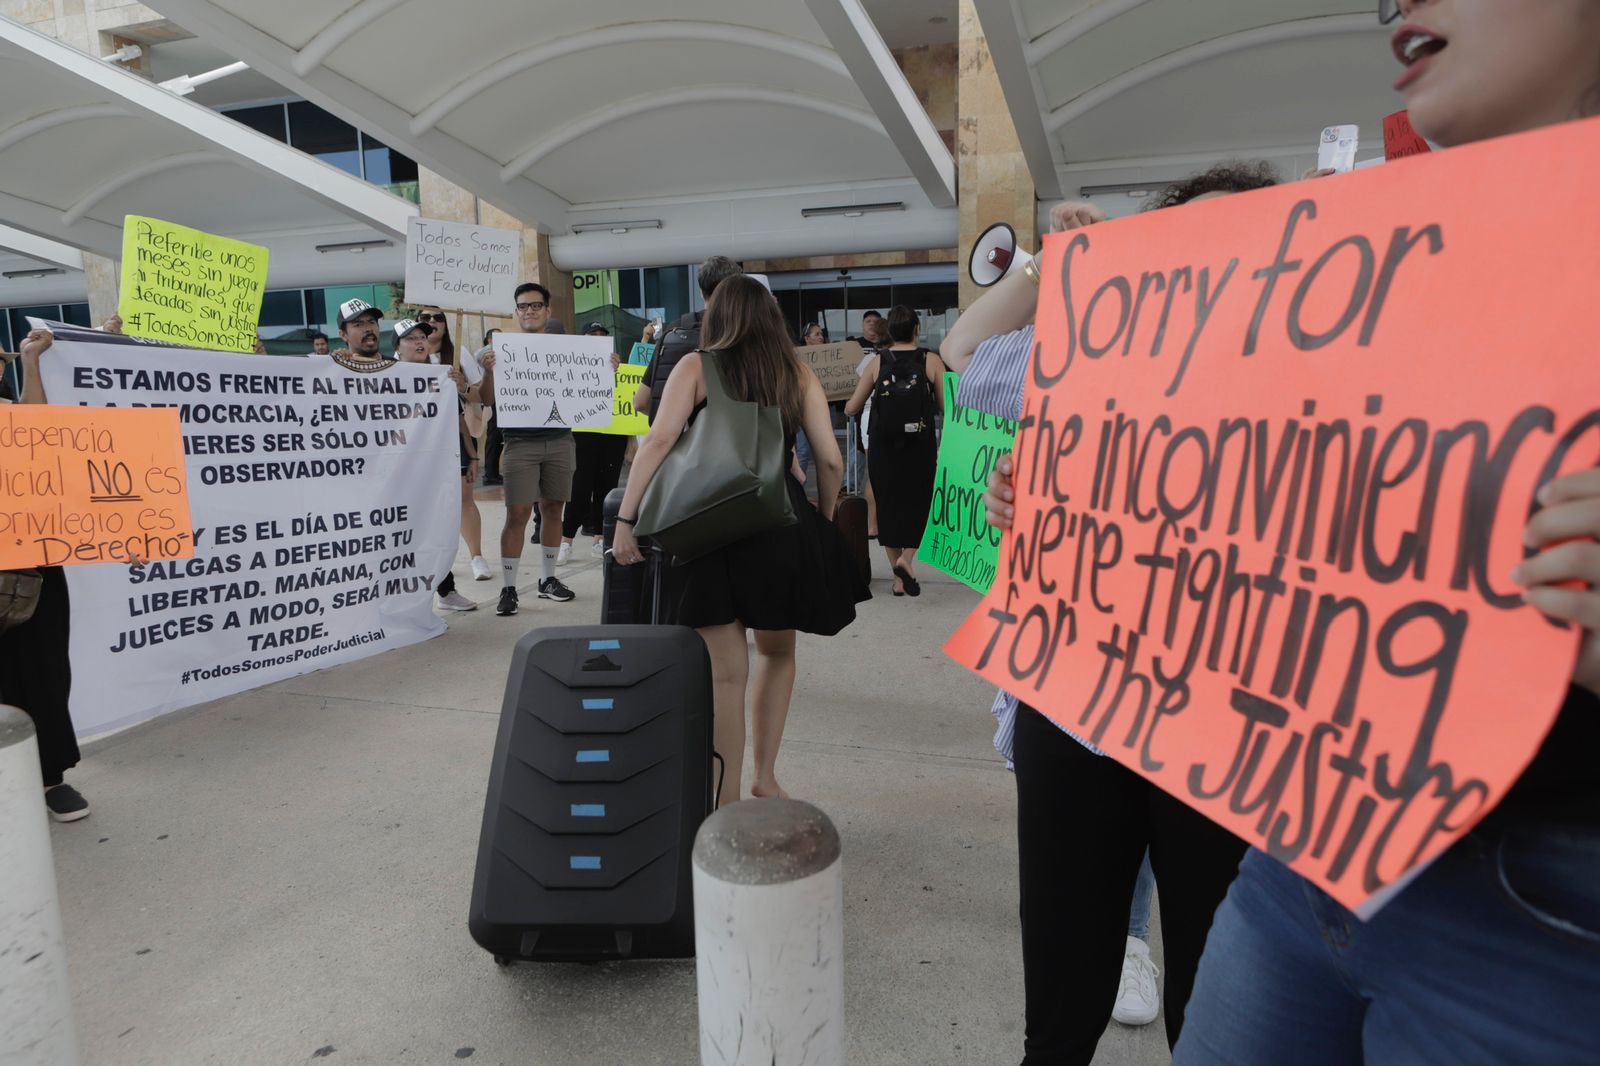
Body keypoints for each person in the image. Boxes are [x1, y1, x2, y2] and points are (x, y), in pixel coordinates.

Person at [1166, 4, 1600, 1063]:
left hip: (1543, 915)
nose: (1400, 4)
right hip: (1307, 852)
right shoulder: (1391, 267)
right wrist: (1076, 507)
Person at [965, 165, 1279, 1066]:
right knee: (1061, 999)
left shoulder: (1309, 363)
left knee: (1212, 1001)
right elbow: (970, 359)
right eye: (1188, 235)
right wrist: (1057, 267)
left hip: (1228, 713)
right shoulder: (1096, 346)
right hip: (1076, 701)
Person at [610, 276, 869, 803]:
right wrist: (819, 517)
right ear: (772, 318)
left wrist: (626, 518)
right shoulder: (795, 372)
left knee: (725, 677)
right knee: (777, 653)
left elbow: (658, 440)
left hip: (707, 527)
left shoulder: (695, 367)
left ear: (717, 316)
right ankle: (766, 777)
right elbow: (830, 458)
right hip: (779, 522)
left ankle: (721, 799)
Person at [3, 328, 89, 822]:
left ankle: (51, 777)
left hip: (34, 563)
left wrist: (32, 362)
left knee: (44, 671)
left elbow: (42, 432)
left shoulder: (10, 414)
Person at [478, 282, 576, 615]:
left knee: (553, 509)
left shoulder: (569, 351)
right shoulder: (499, 351)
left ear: (548, 311)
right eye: (523, 306)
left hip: (560, 440)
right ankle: (508, 587)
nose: (529, 311)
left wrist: (608, 368)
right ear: (515, 312)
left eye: (536, 305)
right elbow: (486, 400)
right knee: (517, 513)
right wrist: (490, 372)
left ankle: (548, 580)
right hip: (519, 442)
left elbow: (589, 385)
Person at [845, 306, 944, 598]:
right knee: (921, 503)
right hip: (919, 447)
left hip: (883, 447)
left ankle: (897, 580)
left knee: (887, 506)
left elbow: (851, 407)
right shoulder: (931, 359)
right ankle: (907, 560)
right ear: (917, 329)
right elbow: (946, 407)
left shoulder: (877, 361)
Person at [419, 307, 491, 581]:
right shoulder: (406, 357)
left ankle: (477, 557)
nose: (432, 322)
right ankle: (438, 564)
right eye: (425, 319)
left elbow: (479, 395)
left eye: (438, 318)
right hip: (422, 439)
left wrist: (462, 386)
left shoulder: (457, 353)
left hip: (455, 434)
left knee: (464, 498)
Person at [634, 254, 743, 421]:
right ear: (736, 291)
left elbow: (640, 402)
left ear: (701, 292)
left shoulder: (673, 331)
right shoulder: (745, 333)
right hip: (733, 442)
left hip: (678, 443)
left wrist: (675, 423)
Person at [559, 323, 629, 564]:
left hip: (612, 433)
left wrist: (618, 370)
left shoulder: (617, 364)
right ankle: (566, 540)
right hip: (583, 433)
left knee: (606, 486)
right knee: (579, 487)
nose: (598, 339)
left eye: (602, 335)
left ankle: (600, 538)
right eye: (593, 335)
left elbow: (630, 391)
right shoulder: (572, 364)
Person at [793, 323, 827, 487]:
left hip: (827, 406)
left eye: (821, 334)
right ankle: (798, 486)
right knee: (804, 450)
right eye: (816, 334)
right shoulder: (796, 357)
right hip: (802, 407)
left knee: (825, 451)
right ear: (806, 338)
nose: (821, 337)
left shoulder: (829, 357)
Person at [329, 298, 385, 367]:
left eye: (371, 322)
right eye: (358, 325)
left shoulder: (397, 367)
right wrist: (332, 361)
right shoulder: (335, 369)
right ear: (343, 335)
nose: (368, 329)